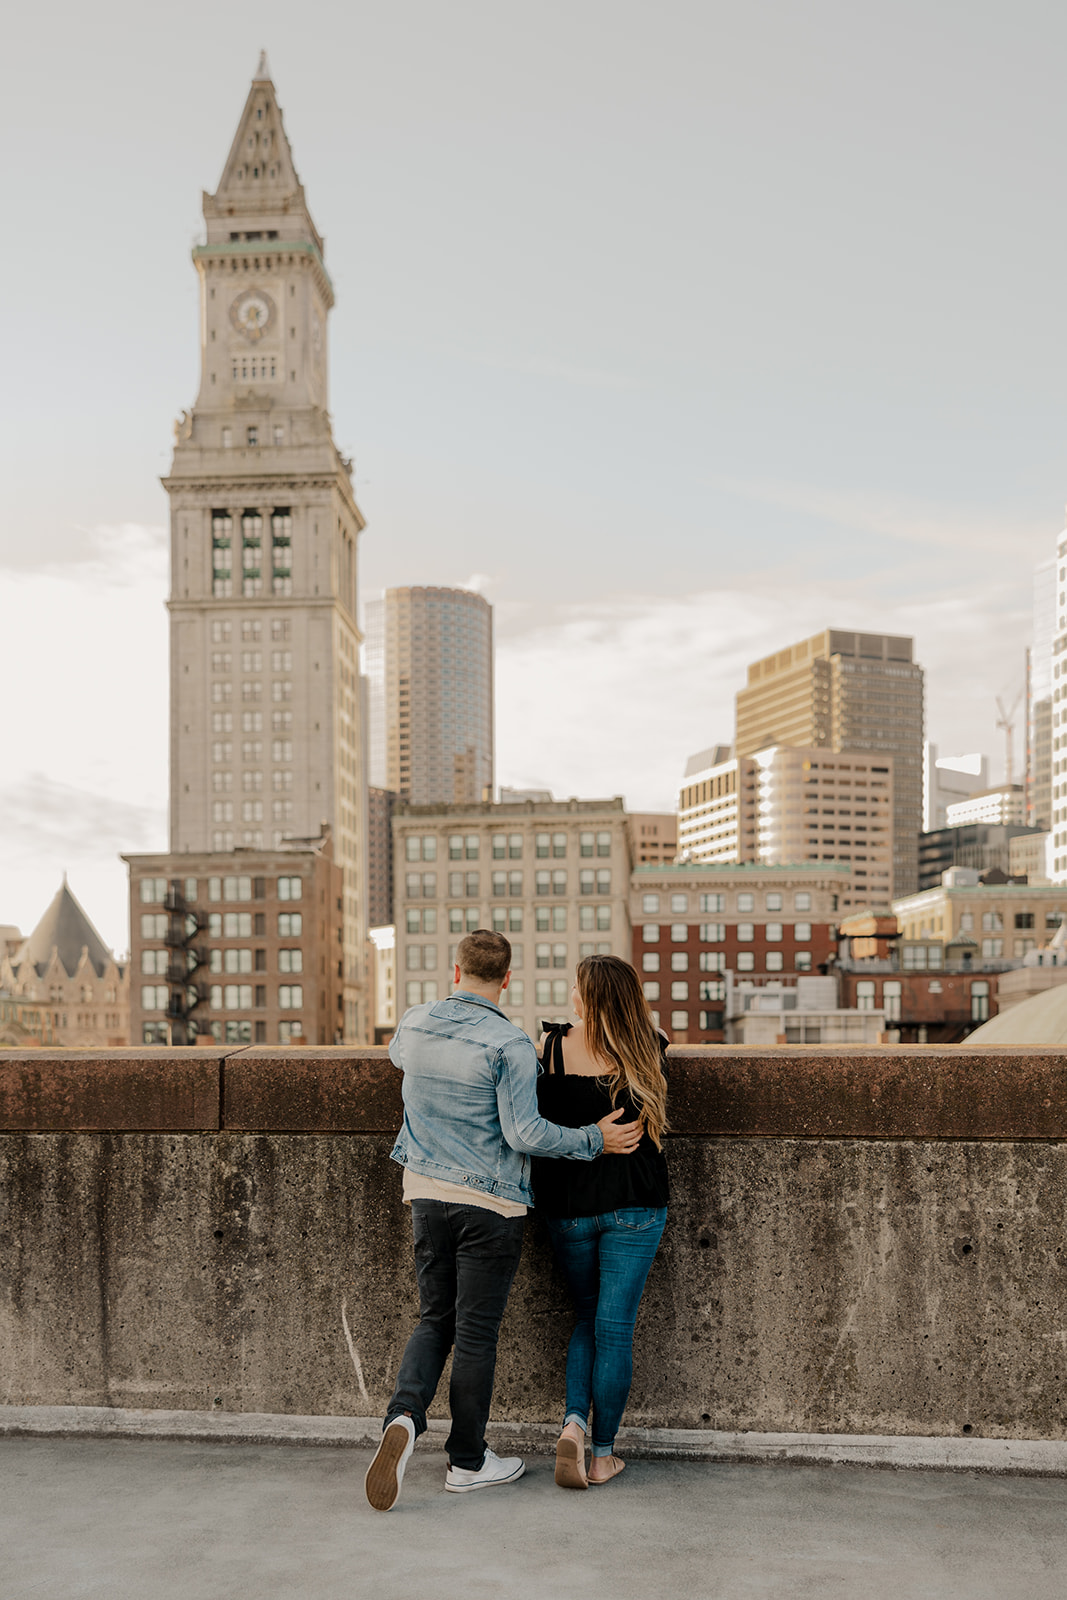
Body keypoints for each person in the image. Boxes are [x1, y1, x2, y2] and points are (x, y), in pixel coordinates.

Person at [364, 929, 643, 1512]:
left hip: (425, 1191)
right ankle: (466, 1461)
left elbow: (397, 1058)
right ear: (508, 979)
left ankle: (404, 1417)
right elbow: (525, 1134)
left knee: (433, 1318)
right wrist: (595, 1137)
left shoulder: (415, 1022)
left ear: (456, 970)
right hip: (490, 1205)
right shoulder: (510, 1043)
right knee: (476, 1335)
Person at [533, 954, 670, 1490]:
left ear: (588, 998)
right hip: (636, 1205)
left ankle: (573, 1422)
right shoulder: (648, 1047)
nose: (570, 994)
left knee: (586, 1318)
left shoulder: (549, 1051)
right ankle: (603, 1455)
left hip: (570, 1208)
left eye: (576, 987)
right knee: (615, 1329)